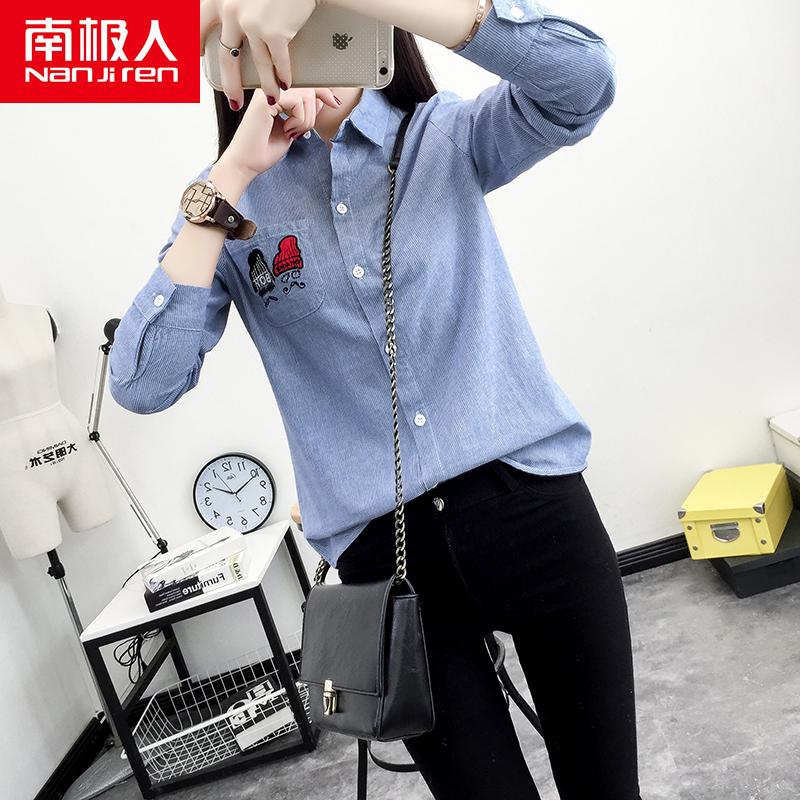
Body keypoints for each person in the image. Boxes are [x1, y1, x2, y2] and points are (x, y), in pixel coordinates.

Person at [110, 1, 639, 797]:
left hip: (532, 510)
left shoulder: (444, 138)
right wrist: (228, 178)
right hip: (384, 565)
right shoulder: (232, 211)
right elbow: (142, 382)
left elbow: (585, 80)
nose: (298, 53)